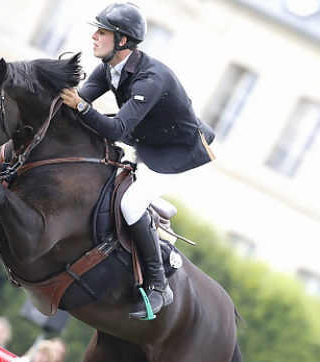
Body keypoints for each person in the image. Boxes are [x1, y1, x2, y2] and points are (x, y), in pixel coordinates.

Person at [61, 2, 215, 319]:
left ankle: (159, 285)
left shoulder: (151, 77)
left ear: (122, 41)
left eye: (101, 32)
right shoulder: (110, 69)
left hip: (178, 152)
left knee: (130, 205)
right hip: (146, 142)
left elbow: (115, 127)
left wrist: (79, 107)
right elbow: (78, 103)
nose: (93, 36)